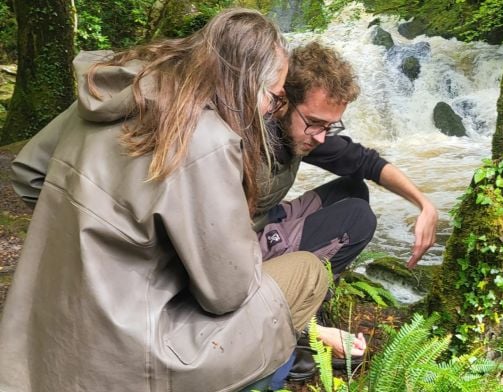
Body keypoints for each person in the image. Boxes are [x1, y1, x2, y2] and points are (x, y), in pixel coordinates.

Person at [1, 9, 327, 392]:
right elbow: (227, 293)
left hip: (51, 325)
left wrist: (94, 242)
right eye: (274, 97)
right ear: (246, 85)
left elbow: (29, 174)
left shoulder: (113, 94)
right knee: (307, 272)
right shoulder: (207, 139)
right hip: (130, 353)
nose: (271, 111)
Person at [255, 42, 438, 360]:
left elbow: (366, 163)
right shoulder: (249, 141)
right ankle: (298, 322)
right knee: (359, 218)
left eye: (330, 127)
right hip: (241, 250)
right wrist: (313, 333)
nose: (321, 137)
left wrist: (425, 205)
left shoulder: (301, 129)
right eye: (314, 123)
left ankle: (311, 300)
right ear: (282, 100)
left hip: (266, 221)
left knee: (353, 189)